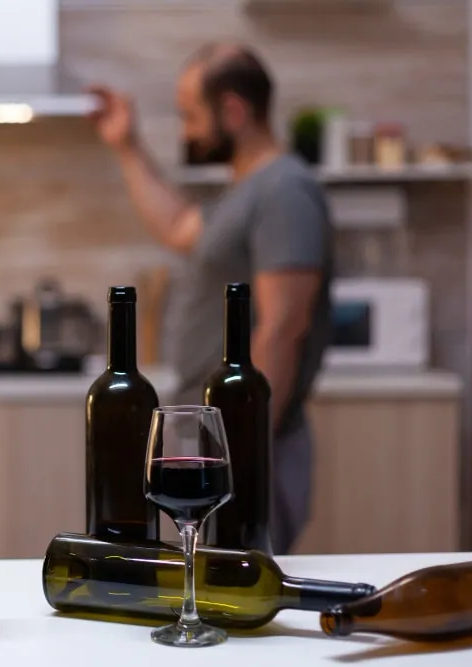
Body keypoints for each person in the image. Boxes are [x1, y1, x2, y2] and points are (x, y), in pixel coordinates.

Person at [87, 44, 334, 555]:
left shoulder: (285, 192)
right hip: (220, 446)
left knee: (236, 606)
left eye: (191, 116)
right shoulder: (246, 190)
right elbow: (179, 227)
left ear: (234, 111)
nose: (186, 131)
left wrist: (242, 458)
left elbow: (283, 328)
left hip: (248, 450)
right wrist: (126, 145)